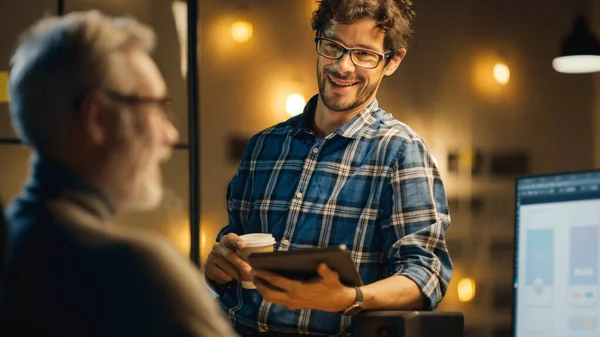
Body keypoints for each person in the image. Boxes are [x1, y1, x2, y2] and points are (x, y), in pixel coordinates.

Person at [204, 0, 454, 336]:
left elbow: (428, 274)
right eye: (333, 46)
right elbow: (233, 259)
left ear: (392, 61)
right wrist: (218, 267)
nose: (343, 67)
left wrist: (352, 298)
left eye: (364, 54)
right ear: (318, 41)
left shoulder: (401, 153)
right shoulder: (264, 146)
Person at [0, 11, 237, 337]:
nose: (170, 134)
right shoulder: (136, 269)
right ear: (97, 118)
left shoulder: (16, 241)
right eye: (156, 106)